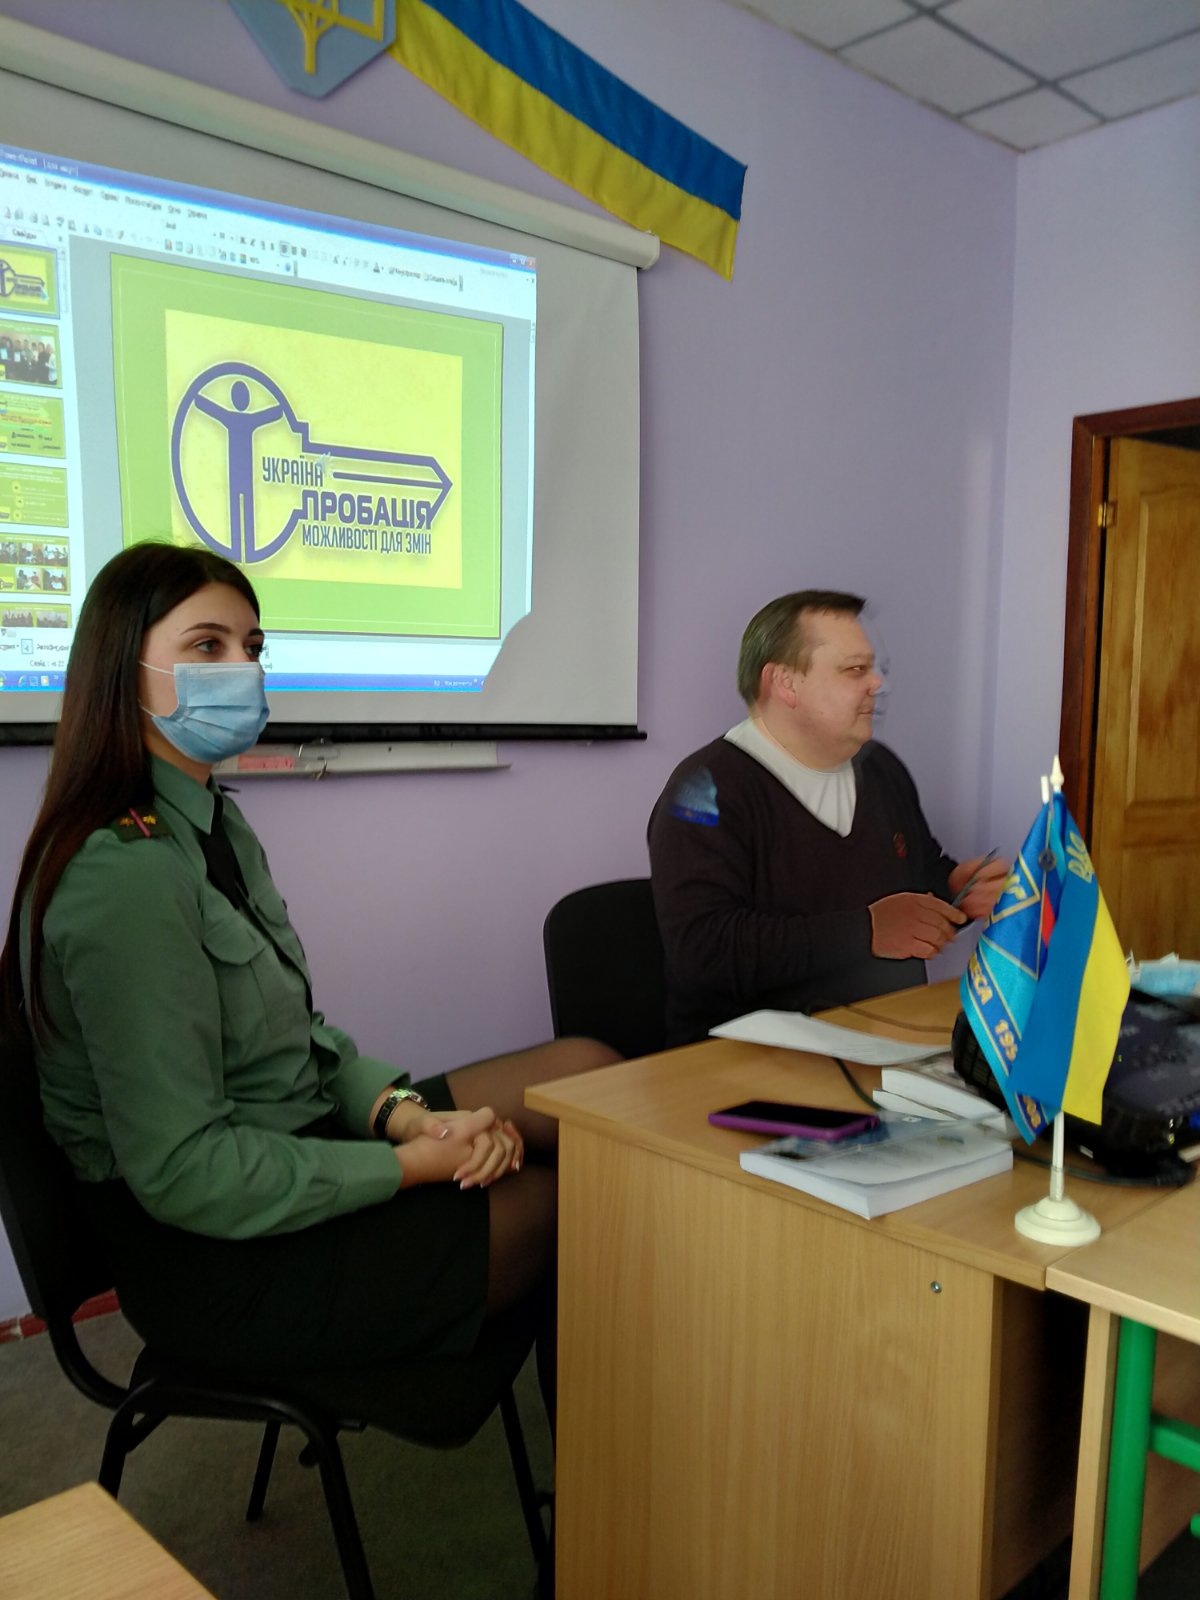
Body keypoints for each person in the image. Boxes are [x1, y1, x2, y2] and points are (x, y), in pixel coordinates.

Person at [0, 541, 615, 1420]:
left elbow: (302, 1040)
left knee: (586, 1078)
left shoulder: (214, 824)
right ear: (121, 669)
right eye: (207, 646)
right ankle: (617, 1470)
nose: (241, 669)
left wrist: (409, 1115)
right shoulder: (122, 873)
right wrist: (411, 1165)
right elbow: (185, 1170)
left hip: (293, 1143)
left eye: (252, 648)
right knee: (560, 1199)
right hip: (218, 1256)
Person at [648, 589, 1008, 1044]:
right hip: (749, 1056)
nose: (877, 684)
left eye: (874, 669)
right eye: (854, 670)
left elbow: (915, 883)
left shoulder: (881, 770)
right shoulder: (703, 791)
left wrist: (956, 890)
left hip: (887, 1036)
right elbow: (703, 953)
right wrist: (867, 931)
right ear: (784, 683)